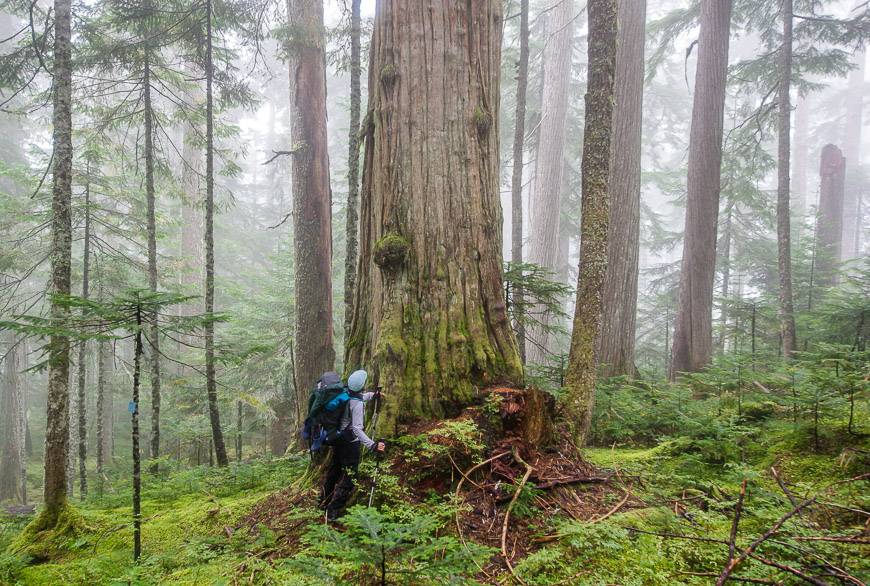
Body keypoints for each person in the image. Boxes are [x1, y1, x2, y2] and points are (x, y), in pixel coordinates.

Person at [320, 369, 385, 521]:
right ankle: (332, 510)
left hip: (338, 439)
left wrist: (373, 395)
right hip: (350, 444)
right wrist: (372, 445)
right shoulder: (357, 405)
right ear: (362, 385)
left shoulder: (345, 394)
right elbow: (357, 429)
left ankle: (322, 500)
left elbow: (361, 397)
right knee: (350, 477)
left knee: (334, 471)